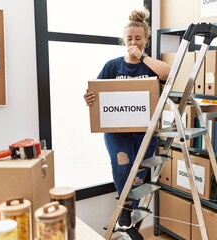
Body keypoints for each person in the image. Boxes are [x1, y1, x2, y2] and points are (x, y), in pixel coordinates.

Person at [84, 8, 170, 240]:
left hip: (145, 131)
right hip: (118, 132)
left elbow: (168, 74)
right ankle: (126, 214)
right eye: (129, 38)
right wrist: (89, 98)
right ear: (124, 40)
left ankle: (129, 217)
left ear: (146, 40)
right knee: (123, 166)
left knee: (140, 172)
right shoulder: (112, 66)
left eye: (138, 38)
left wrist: (141, 56)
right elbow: (95, 91)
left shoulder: (150, 65)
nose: (133, 42)